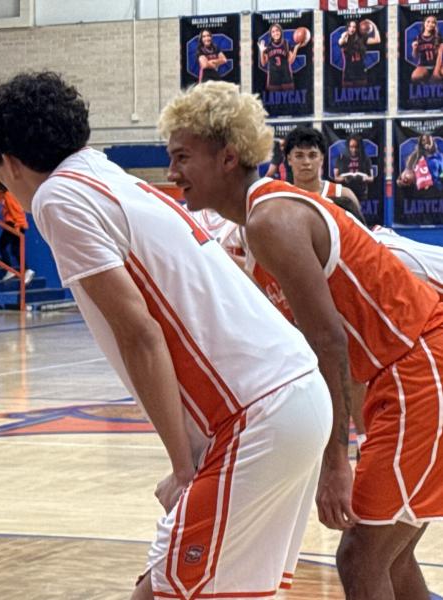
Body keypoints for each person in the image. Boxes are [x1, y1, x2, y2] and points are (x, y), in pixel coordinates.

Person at [0, 72, 332, 598]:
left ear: (10, 162)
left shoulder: (57, 199)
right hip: (290, 393)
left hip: (256, 414)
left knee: (170, 589)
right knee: (169, 587)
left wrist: (184, 468)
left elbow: (140, 332)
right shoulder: (104, 173)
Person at [160, 80, 443, 598]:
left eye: (182, 157)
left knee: (361, 557)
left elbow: (329, 342)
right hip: (393, 372)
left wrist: (337, 462)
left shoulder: (273, 218)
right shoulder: (250, 231)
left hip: (420, 361)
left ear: (227, 157)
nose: (172, 172)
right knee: (391, 560)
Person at [282, 126, 361, 208]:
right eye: (299, 156)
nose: (306, 162)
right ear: (289, 159)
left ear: (321, 159)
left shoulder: (342, 195)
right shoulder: (281, 199)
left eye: (312, 155)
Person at [0, 181, 33, 284]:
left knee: (2, 246)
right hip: (18, 225)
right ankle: (26, 270)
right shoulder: (10, 194)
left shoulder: (9, 195)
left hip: (14, 225)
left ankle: (10, 270)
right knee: (15, 250)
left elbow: (16, 212)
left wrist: (17, 227)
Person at [339, 19, 380, 88]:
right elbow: (340, 42)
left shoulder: (362, 38)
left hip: (360, 73)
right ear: (347, 27)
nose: (352, 29)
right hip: (348, 73)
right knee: (347, 95)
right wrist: (343, 36)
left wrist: (373, 25)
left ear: (357, 28)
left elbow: (377, 40)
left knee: (362, 96)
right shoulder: (345, 37)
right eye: (350, 26)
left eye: (354, 27)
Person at [333, 134, 374, 201]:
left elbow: (371, 178)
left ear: (360, 147)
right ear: (348, 147)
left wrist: (363, 178)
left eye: (356, 147)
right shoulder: (341, 158)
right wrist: (345, 179)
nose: (354, 150)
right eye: (351, 147)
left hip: (361, 194)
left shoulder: (365, 159)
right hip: (345, 194)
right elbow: (336, 178)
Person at [259, 23, 297, 91]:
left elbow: (290, 61)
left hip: (286, 76)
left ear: (280, 31)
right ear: (271, 34)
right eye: (273, 32)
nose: (275, 33)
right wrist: (261, 52)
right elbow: (263, 63)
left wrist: (296, 48)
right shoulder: (269, 46)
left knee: (289, 99)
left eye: (277, 30)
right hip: (273, 77)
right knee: (273, 99)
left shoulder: (286, 44)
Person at [411, 15, 443, 83]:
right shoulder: (417, 38)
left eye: (433, 22)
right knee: (415, 77)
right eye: (428, 22)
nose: (430, 24)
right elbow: (415, 56)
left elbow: (440, 55)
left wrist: (436, 71)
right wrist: (414, 49)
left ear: (435, 25)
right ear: (424, 23)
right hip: (424, 65)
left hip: (437, 65)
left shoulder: (438, 37)